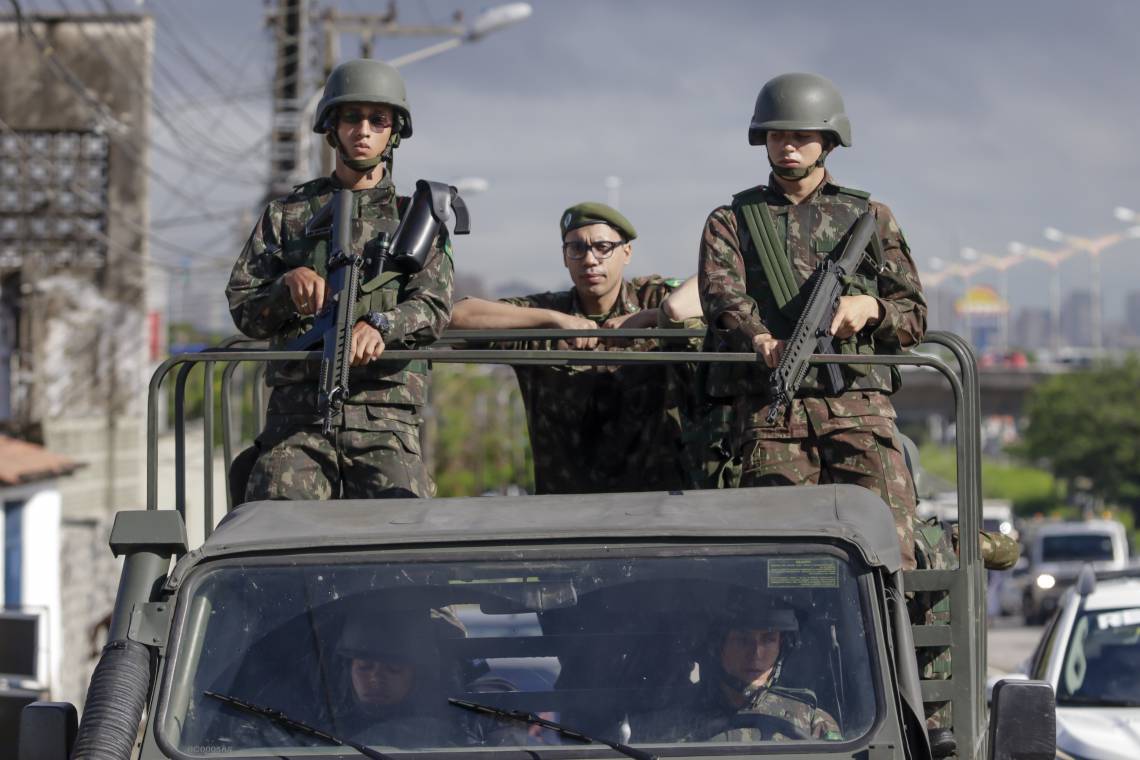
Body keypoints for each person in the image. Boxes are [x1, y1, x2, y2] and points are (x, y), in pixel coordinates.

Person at [698, 72, 926, 569]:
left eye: (801, 136)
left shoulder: (869, 216)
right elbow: (722, 299)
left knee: (894, 550)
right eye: (777, 135)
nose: (788, 147)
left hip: (859, 409)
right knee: (780, 562)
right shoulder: (731, 220)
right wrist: (758, 338)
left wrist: (871, 310)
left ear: (828, 140)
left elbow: (913, 315)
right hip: (772, 412)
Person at [226, 59, 452, 501]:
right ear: (332, 127)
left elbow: (433, 306)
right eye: (351, 117)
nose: (363, 130)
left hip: (384, 419)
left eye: (377, 120)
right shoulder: (287, 215)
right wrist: (287, 287)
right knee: (272, 514)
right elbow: (244, 309)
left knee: (406, 525)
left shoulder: (417, 217)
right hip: (298, 420)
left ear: (394, 132)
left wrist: (381, 325)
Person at [449, 202, 702, 494]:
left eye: (603, 247)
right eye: (577, 248)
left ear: (627, 252)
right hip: (569, 506)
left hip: (657, 501)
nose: (590, 259)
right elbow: (458, 316)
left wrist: (651, 316)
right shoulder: (543, 315)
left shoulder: (652, 297)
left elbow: (716, 286)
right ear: (565, 257)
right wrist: (553, 320)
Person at [633, 592, 840, 743]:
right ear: (718, 647)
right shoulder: (671, 723)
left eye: (768, 640)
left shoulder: (811, 722)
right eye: (742, 640)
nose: (756, 654)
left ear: (781, 648)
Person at [333, 607, 454, 747]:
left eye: (393, 668)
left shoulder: (449, 737)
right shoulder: (318, 733)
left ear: (416, 675)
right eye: (365, 666)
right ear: (348, 671)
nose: (376, 679)